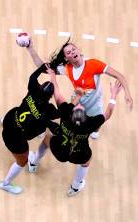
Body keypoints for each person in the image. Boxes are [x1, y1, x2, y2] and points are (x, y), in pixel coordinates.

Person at [28, 66, 122, 196]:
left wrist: (53, 78)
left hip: (59, 151)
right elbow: (108, 113)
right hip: (78, 154)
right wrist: (113, 95)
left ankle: (33, 162)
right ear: (85, 117)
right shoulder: (90, 123)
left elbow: (58, 94)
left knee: (46, 139)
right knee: (87, 161)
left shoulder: (65, 112)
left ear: (71, 113)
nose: (79, 105)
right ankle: (76, 186)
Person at [25, 37, 132, 139]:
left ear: (79, 50)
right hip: (77, 102)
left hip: (95, 102)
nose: (72, 52)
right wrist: (30, 49)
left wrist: (127, 93)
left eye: (73, 49)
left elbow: (119, 76)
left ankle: (95, 132)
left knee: (97, 125)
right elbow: (42, 67)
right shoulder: (67, 68)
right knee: (72, 125)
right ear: (66, 58)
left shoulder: (94, 64)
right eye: (68, 52)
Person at [0, 64, 58, 194]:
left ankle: (2, 121)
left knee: (13, 116)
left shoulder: (33, 89)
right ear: (51, 97)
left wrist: (42, 68)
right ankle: (6, 184)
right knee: (23, 161)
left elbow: (32, 76)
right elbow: (61, 113)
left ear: (40, 87)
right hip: (15, 138)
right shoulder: (48, 110)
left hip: (10, 118)